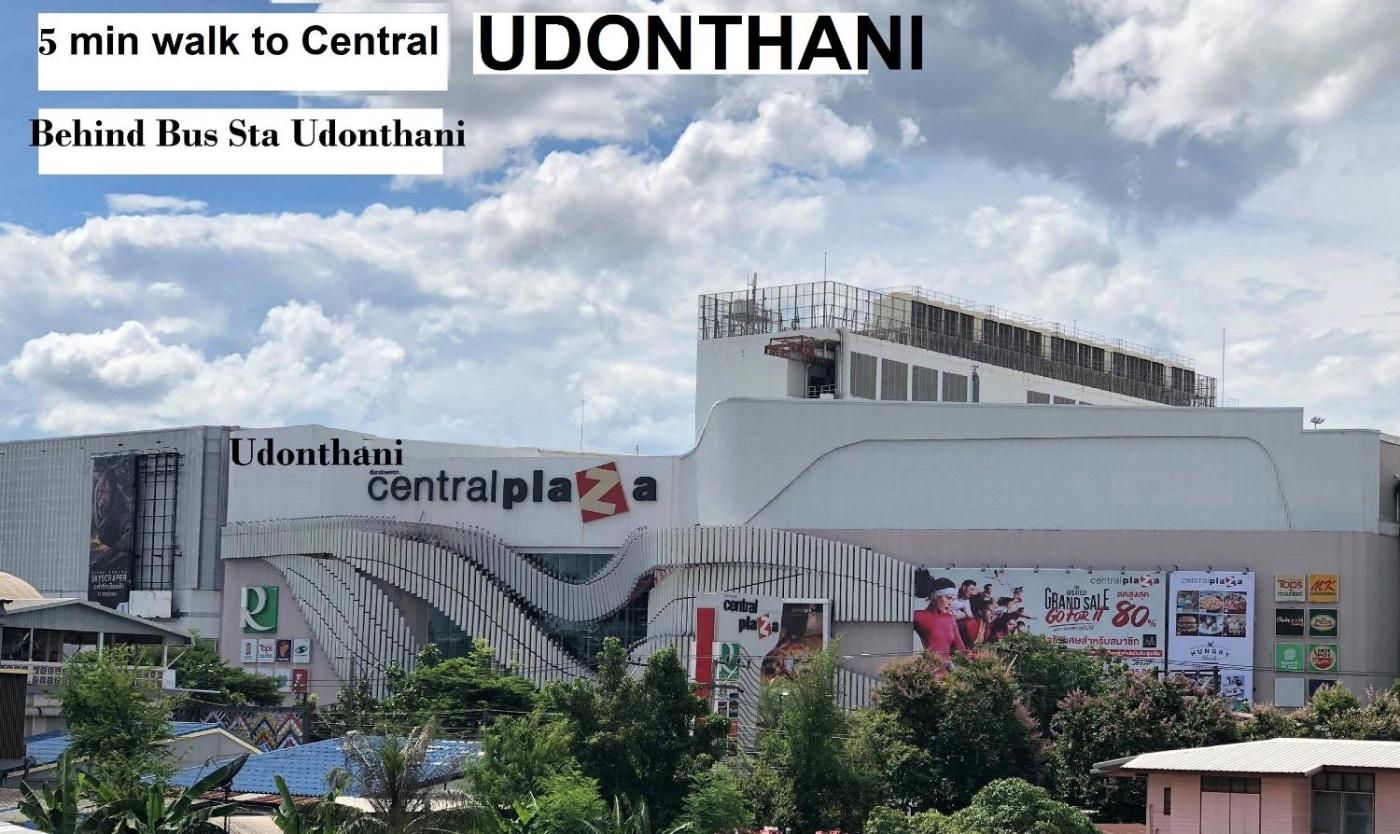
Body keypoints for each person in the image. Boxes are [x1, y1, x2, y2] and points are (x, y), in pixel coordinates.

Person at [914, 577, 968, 656]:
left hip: (948, 664)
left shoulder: (950, 618)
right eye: (948, 598)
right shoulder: (917, 616)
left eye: (953, 599)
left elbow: (961, 649)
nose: (951, 603)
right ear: (935, 596)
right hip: (928, 663)